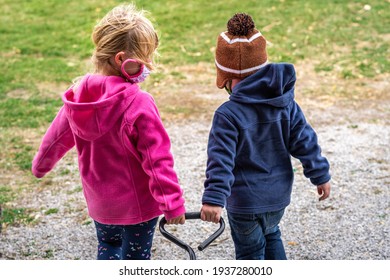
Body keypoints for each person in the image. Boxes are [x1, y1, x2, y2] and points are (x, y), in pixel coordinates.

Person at [31, 4, 186, 260]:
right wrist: (172, 204)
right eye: (144, 59)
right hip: (138, 209)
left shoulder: (78, 95)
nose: (148, 66)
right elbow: (157, 159)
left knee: (108, 248)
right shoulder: (139, 102)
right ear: (121, 60)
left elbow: (55, 139)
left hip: (100, 205)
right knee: (135, 261)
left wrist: (40, 166)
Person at [200, 13, 331, 260]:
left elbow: (221, 161)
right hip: (277, 198)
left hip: (245, 204)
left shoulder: (227, 114)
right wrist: (320, 174)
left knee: (251, 254)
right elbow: (305, 141)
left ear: (225, 78)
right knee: (272, 235)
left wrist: (214, 199)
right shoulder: (285, 103)